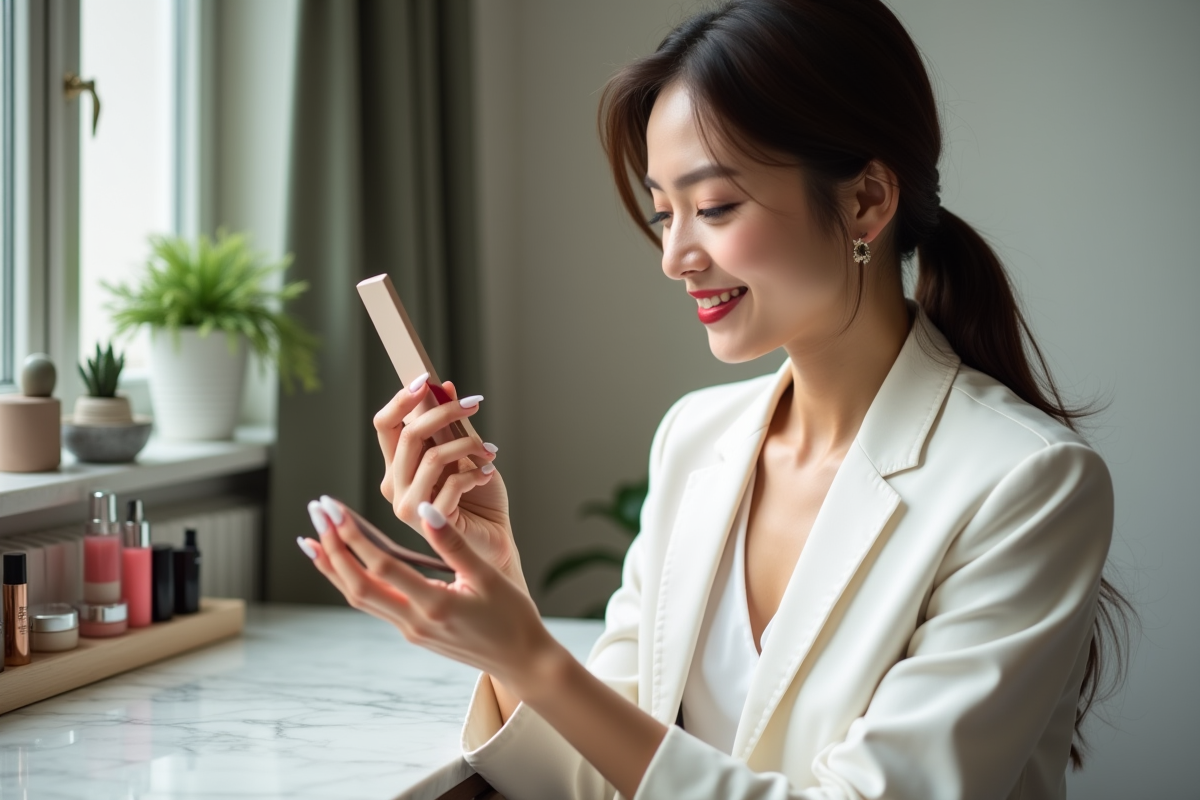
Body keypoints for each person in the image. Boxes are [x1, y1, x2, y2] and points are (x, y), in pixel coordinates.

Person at [297, 1, 1132, 797]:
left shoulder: (1029, 482)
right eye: (666, 214)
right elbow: (596, 780)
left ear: (867, 199)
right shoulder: (696, 440)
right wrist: (500, 590)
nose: (676, 256)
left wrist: (539, 659)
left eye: (716, 206)